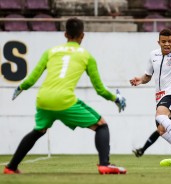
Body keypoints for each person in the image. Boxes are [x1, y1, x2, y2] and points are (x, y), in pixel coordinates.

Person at [3, 17, 127, 175]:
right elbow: (100, 90)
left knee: (39, 130)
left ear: (65, 34)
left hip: (43, 99)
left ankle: (11, 167)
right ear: (82, 35)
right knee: (101, 125)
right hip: (64, 100)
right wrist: (116, 98)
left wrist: (21, 87)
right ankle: (105, 164)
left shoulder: (50, 52)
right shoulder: (87, 56)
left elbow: (33, 78)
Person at [130, 28, 171, 157]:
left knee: (160, 115)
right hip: (159, 97)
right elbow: (148, 76)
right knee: (161, 130)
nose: (167, 44)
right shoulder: (153, 55)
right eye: (164, 41)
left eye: (169, 41)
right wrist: (140, 80)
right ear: (158, 42)